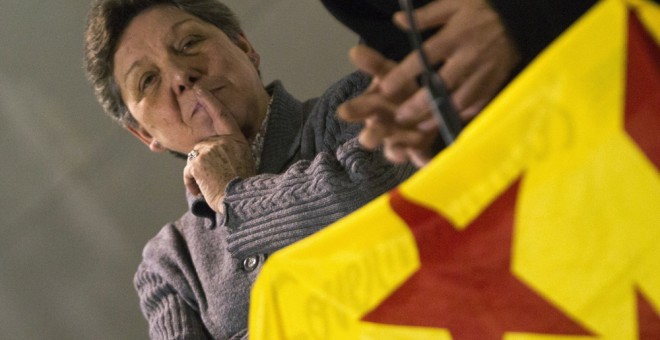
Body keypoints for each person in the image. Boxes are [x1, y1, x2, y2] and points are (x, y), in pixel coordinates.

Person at [83, 0, 415, 338]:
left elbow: (379, 200)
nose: (182, 75)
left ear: (245, 47)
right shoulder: (169, 264)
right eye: (148, 80)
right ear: (144, 134)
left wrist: (235, 195)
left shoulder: (356, 103)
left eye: (189, 43)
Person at [322, 0, 597, 167]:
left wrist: (516, 16)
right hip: (554, 158)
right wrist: (425, 119)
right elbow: (412, 52)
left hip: (623, 76)